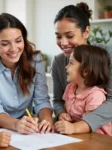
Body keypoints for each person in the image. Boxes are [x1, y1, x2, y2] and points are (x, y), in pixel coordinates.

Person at [0, 13, 53, 134]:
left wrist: (47, 120)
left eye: (18, 41)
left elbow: (42, 100)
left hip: (21, 130)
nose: (14, 49)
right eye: (5, 44)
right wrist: (16, 124)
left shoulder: (36, 61)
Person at [52, 2, 112, 134]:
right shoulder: (58, 61)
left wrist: (77, 127)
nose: (63, 43)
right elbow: (57, 100)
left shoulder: (107, 55)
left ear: (86, 32)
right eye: (58, 36)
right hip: (73, 134)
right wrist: (61, 113)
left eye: (70, 36)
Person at [55, 45, 112, 136]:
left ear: (86, 71)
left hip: (97, 138)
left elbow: (89, 125)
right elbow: (67, 111)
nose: (66, 66)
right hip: (77, 136)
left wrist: (71, 127)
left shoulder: (95, 95)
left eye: (71, 63)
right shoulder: (70, 88)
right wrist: (63, 115)